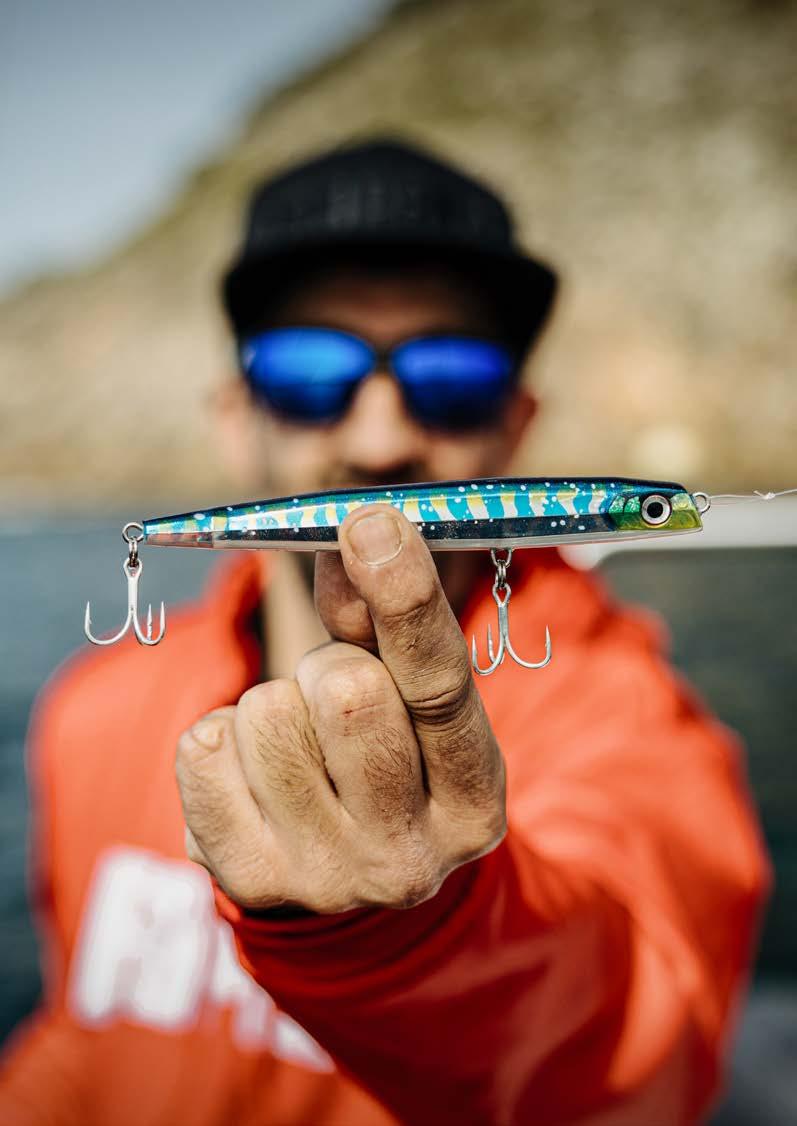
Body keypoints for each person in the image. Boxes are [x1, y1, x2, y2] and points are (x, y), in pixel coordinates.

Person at [0, 138, 770, 1126]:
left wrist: (411, 937)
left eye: (451, 377)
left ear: (514, 425)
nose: (379, 440)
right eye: (305, 372)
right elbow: (87, 1036)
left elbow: (630, 1060)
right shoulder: (92, 706)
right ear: (235, 417)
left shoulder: (632, 726)